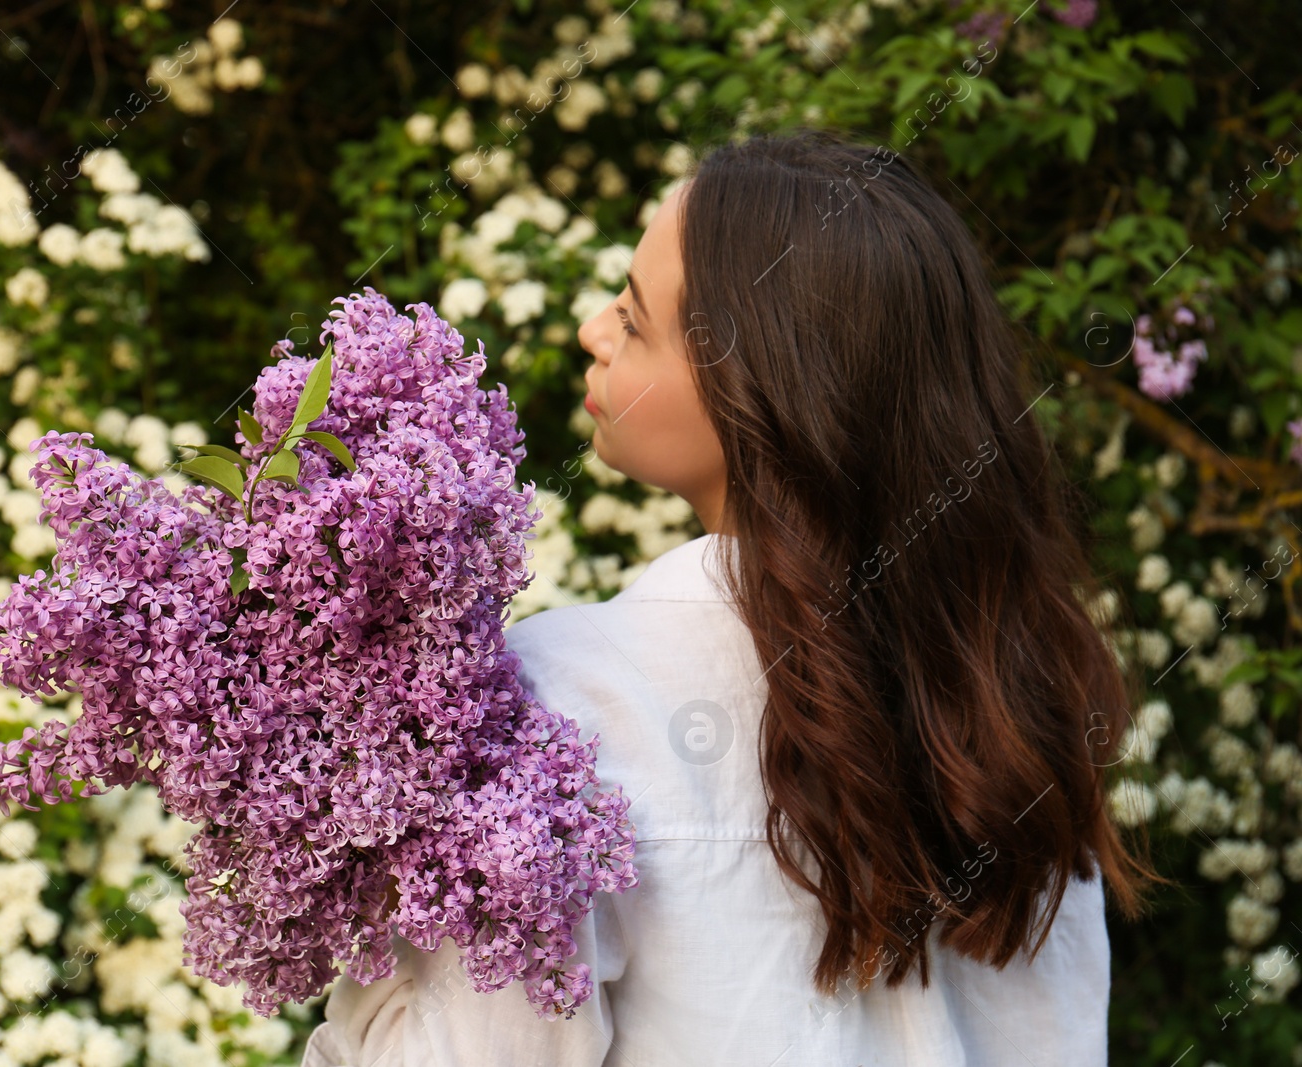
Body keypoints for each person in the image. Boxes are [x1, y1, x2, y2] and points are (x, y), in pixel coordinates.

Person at [300, 127, 1165, 1066]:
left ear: (760, 394)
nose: (592, 330)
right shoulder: (1018, 710)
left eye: (633, 320)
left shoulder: (565, 707)